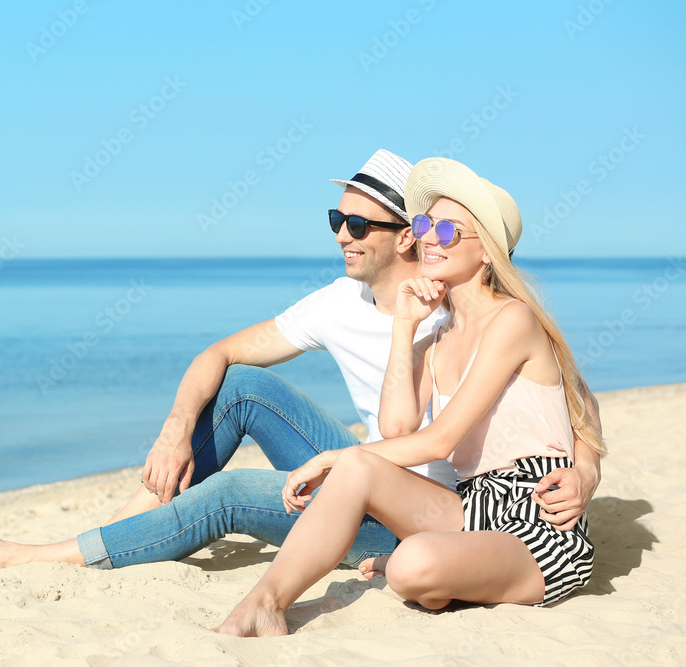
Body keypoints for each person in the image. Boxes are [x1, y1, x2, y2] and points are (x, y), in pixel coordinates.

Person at [0, 150, 600, 574]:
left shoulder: (472, 312)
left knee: (225, 495)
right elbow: (217, 354)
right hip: (369, 473)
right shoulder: (356, 306)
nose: (343, 233)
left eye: (361, 224)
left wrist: (587, 470)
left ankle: (24, 557)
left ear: (403, 239)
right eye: (336, 218)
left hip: (417, 508)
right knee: (242, 384)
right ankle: (129, 520)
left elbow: (565, 403)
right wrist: (173, 426)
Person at [213, 157, 606, 637]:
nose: (428, 238)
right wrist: (405, 326)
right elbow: (397, 428)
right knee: (362, 472)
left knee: (407, 565)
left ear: (487, 252)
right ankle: (266, 602)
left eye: (448, 231)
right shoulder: (436, 339)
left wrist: (587, 470)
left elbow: (444, 440)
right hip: (469, 505)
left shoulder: (512, 320)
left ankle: (443, 574)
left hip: (538, 517)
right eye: (424, 225)